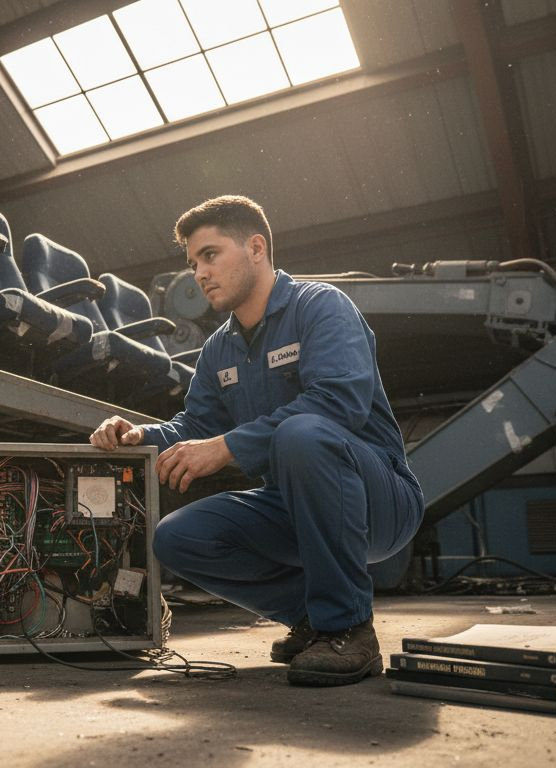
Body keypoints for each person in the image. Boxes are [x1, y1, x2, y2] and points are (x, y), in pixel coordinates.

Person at [90, 195, 423, 687]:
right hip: (291, 505)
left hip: (379, 499)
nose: (199, 274)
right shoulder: (217, 349)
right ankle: (312, 618)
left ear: (256, 247)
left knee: (302, 433)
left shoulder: (320, 307)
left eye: (210, 255)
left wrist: (226, 447)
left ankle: (349, 628)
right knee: (176, 538)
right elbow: (193, 426)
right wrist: (141, 435)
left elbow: (339, 404)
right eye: (192, 263)